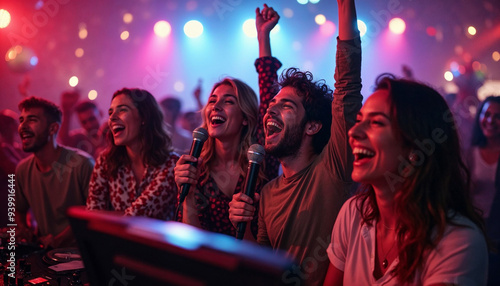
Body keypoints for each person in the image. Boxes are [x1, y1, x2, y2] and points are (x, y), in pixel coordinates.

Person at [229, 0, 362, 284]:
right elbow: (262, 265)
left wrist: (344, 4)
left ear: (312, 126)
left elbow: (347, 85)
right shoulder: (266, 193)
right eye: (272, 105)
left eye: (286, 106)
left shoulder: (333, 169)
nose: (270, 110)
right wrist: (244, 228)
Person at [323, 75, 489, 285]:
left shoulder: (457, 241)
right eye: (358, 120)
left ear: (415, 147)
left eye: (376, 122)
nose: (354, 132)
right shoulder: (353, 213)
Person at [174, 4, 281, 239]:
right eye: (212, 100)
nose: (216, 105)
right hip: (207, 269)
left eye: (229, 101)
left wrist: (263, 36)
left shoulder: (262, 158)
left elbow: (269, 94)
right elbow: (188, 242)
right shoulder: (196, 170)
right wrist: (188, 196)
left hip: (256, 267)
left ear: (245, 118)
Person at [86, 88, 179, 220]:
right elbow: (91, 217)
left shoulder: (171, 164)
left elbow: (136, 217)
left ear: (144, 117)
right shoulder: (105, 161)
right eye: (110, 112)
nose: (111, 118)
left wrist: (104, 217)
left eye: (122, 110)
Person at [15, 97, 94, 248]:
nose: (22, 126)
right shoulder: (22, 169)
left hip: (82, 257)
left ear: (53, 128)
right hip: (45, 255)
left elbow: (94, 213)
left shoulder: (83, 164)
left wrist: (59, 240)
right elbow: (18, 209)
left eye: (31, 120)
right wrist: (23, 228)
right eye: (21, 120)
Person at [468, 95, 500, 286]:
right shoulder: (469, 154)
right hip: (475, 226)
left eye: (497, 116)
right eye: (486, 114)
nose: (490, 120)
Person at [58, 90, 107, 158]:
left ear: (101, 114)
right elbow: (64, 139)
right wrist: (67, 112)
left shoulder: (111, 131)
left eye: (92, 119)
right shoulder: (80, 137)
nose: (89, 125)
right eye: (84, 122)